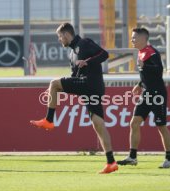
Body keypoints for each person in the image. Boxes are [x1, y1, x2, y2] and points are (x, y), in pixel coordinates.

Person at [30, 22, 118, 174]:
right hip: (91, 88)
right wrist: (55, 90)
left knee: (54, 83)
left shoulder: (85, 43)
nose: (59, 40)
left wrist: (88, 62)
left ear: (65, 34)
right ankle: (111, 162)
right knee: (98, 124)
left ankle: (49, 120)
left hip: (91, 83)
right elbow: (73, 77)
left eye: (59, 37)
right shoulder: (71, 53)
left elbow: (104, 54)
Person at [117, 28, 170, 168]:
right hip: (146, 93)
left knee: (161, 126)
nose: (132, 40)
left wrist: (145, 66)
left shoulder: (151, 52)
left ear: (143, 38)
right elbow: (147, 74)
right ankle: (133, 157)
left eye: (134, 38)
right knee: (134, 123)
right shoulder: (141, 53)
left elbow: (158, 70)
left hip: (157, 94)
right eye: (132, 37)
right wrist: (139, 84)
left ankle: (169, 159)